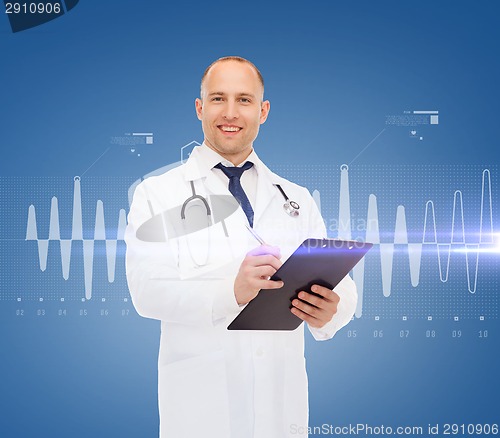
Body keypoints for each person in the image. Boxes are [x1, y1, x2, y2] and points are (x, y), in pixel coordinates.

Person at [125, 56, 357, 438]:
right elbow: (146, 291)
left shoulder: (296, 197)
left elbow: (341, 286)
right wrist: (232, 291)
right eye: (218, 98)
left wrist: (332, 310)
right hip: (201, 412)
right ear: (200, 108)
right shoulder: (158, 194)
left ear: (263, 111)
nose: (230, 112)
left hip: (283, 413)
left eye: (244, 100)